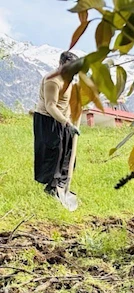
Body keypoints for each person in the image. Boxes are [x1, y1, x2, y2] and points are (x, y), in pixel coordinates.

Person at [33, 51, 80, 198]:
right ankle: (51, 188)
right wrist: (66, 122)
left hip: (64, 120)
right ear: (61, 65)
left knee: (68, 153)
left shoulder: (71, 80)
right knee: (55, 151)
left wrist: (73, 117)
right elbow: (50, 105)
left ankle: (62, 186)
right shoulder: (53, 80)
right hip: (48, 119)